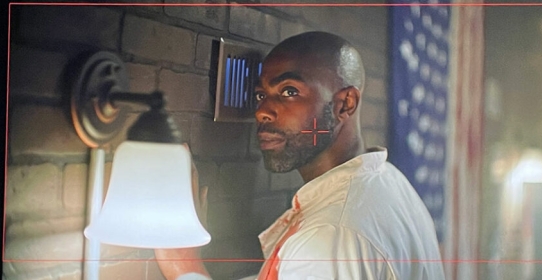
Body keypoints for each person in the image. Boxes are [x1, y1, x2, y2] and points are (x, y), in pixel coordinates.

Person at [155, 31, 445, 280]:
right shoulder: (386, 180)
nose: (262, 111)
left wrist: (184, 265)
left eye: (289, 91)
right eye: (260, 95)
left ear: (345, 103)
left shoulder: (329, 237)